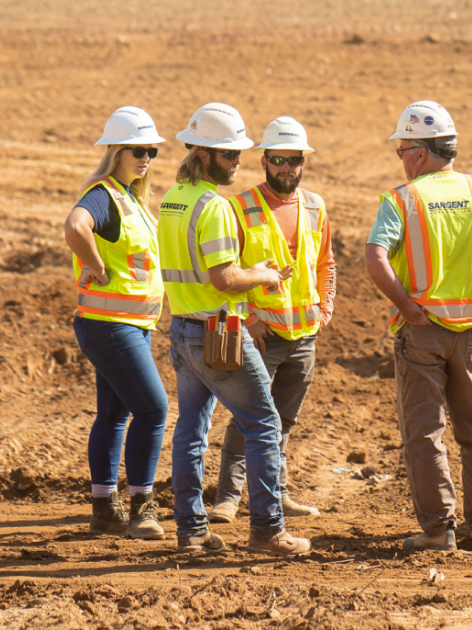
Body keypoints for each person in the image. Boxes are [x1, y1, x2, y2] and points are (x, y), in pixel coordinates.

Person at [364, 100, 472, 552]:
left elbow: (374, 257)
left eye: (402, 150)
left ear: (420, 153)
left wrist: (408, 306)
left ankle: (439, 532)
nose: (401, 159)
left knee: (424, 433)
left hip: (422, 332)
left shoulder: (402, 199)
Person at [159, 102, 313, 556]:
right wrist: (263, 275)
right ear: (203, 153)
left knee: (190, 428)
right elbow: (224, 278)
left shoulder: (172, 200)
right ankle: (268, 530)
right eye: (230, 155)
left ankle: (191, 531)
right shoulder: (216, 206)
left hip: (182, 329)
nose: (238, 161)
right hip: (217, 332)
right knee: (264, 423)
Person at [208, 116, 336, 523]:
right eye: (278, 159)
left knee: (283, 421)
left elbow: (325, 263)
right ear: (264, 160)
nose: (287, 167)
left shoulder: (315, 206)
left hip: (304, 335)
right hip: (262, 335)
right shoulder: (238, 207)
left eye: (294, 160)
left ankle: (277, 496)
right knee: (248, 415)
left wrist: (326, 306)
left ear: (303, 162)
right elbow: (226, 271)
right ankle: (228, 497)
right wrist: (247, 320)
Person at [62, 106, 169, 540]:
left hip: (124, 325)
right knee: (153, 408)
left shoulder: (134, 200)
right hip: (110, 325)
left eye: (152, 150)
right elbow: (74, 225)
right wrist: (94, 264)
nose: (145, 157)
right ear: (115, 152)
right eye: (137, 150)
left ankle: (105, 507)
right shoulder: (105, 195)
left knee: (115, 413)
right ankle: (143, 506)